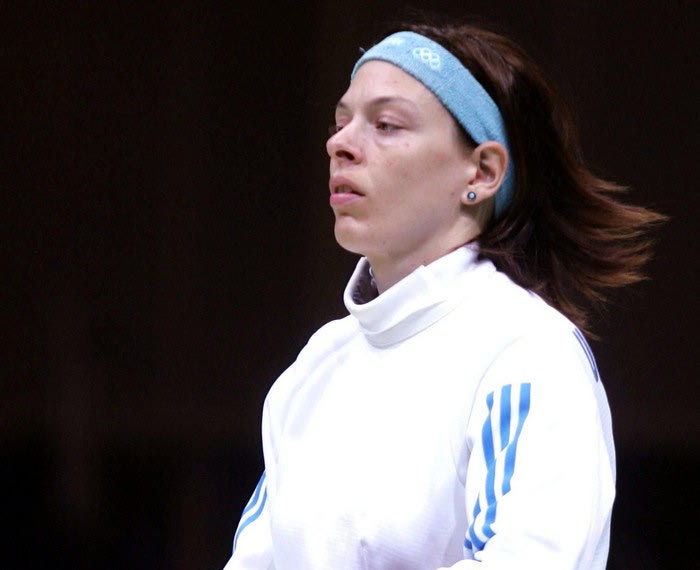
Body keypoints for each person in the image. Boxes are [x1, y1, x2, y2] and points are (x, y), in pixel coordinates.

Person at [223, 19, 663, 570]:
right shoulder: (315, 367)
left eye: (386, 124)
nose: (339, 144)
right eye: (341, 123)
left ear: (481, 171)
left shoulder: (527, 349)